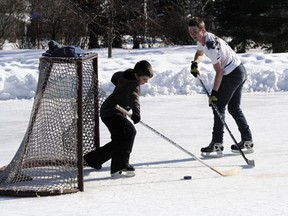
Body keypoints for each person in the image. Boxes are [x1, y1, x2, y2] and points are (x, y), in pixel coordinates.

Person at [188, 17, 253, 157]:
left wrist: (214, 93)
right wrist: (195, 63)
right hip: (239, 70)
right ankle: (247, 140)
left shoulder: (211, 45)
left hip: (233, 74)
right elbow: (199, 53)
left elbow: (220, 72)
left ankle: (217, 143)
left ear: (202, 30)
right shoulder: (202, 39)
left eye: (195, 31)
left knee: (218, 106)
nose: (193, 34)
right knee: (234, 107)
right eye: (190, 32)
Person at [84, 60, 153, 178]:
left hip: (109, 111)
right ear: (136, 75)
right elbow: (134, 98)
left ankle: (93, 159)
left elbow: (115, 77)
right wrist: (136, 113)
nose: (145, 82)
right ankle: (119, 167)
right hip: (112, 112)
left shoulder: (126, 74)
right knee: (129, 132)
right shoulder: (134, 85)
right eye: (144, 79)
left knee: (120, 140)